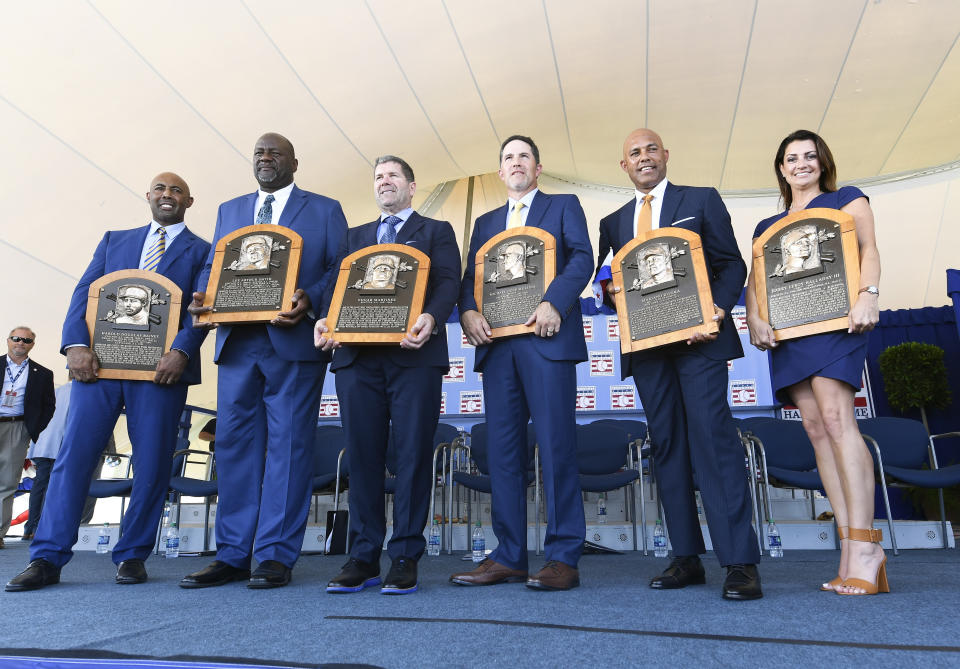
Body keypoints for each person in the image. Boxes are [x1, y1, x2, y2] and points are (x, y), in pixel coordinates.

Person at [6, 173, 209, 592]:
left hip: (160, 370)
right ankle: (46, 556)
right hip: (97, 367)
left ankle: (132, 554)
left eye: (176, 190)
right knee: (73, 458)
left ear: (189, 201)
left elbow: (200, 307)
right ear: (148, 195)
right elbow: (83, 293)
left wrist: (183, 350)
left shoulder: (203, 250)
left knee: (152, 463)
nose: (167, 195)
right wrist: (74, 345)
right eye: (160, 188)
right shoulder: (114, 239)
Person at [595, 128, 762, 600]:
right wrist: (606, 291)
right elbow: (605, 278)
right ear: (623, 165)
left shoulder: (701, 199)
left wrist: (720, 310)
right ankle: (685, 557)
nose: (644, 157)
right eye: (634, 153)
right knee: (666, 446)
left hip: (700, 340)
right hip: (648, 349)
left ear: (666, 155)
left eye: (651, 149)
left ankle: (739, 561)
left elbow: (731, 265)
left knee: (713, 441)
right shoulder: (613, 221)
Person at [184, 133, 348, 589]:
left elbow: (340, 267)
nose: (265, 158)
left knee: (290, 448)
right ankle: (234, 553)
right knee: (233, 448)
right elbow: (213, 267)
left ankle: (275, 554)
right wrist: (204, 297)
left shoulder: (325, 209)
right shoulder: (229, 210)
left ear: (295, 161)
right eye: (259, 152)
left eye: (274, 152)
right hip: (237, 344)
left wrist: (310, 298)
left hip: (292, 342)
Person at [450, 135, 593, 591]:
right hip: (498, 348)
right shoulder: (486, 222)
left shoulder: (563, 204)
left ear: (537, 167)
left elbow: (583, 258)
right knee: (503, 454)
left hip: (546, 339)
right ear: (500, 171)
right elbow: (469, 276)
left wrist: (554, 301)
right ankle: (508, 555)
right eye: (508, 157)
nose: (516, 163)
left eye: (524, 156)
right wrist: (468, 310)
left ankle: (563, 556)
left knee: (556, 449)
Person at [746, 129, 882, 595]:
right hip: (789, 333)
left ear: (822, 162)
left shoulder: (847, 198)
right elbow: (755, 280)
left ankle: (867, 545)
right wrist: (755, 318)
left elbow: (868, 249)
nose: (801, 163)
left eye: (809, 156)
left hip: (837, 322)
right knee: (816, 429)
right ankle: (848, 546)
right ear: (781, 168)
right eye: (791, 158)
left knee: (837, 420)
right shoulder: (767, 226)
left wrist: (868, 295)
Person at [316, 155, 460, 595]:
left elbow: (450, 281)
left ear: (412, 187)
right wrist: (325, 320)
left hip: (413, 356)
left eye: (394, 175)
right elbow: (334, 288)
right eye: (379, 177)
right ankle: (362, 557)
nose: (385, 182)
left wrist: (432, 319)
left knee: (414, 456)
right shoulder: (354, 236)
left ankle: (404, 555)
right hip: (358, 360)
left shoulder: (436, 231)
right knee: (362, 457)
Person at [23, 375, 115, 540]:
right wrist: (111, 451)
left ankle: (31, 528)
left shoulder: (56, 391)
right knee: (62, 488)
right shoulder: (89, 393)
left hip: (45, 445)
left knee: (41, 487)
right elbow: (101, 421)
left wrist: (33, 448)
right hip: (66, 447)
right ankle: (54, 529)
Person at [0, 328, 55, 549]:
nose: (20, 343)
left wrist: (32, 429)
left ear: (32, 344)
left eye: (26, 340)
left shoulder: (43, 373)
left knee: (7, 482)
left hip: (17, 427)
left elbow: (49, 406)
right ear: (8, 341)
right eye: (16, 338)